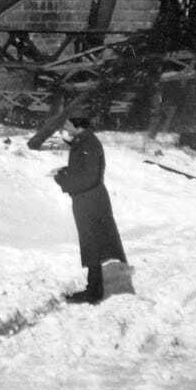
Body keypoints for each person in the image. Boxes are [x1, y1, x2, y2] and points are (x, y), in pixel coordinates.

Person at [53, 116, 127, 304]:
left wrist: (62, 180)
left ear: (78, 126)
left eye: (68, 124)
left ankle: (94, 292)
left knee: (92, 244)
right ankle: (94, 289)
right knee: (92, 244)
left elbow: (89, 177)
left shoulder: (88, 144)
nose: (65, 127)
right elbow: (83, 170)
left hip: (91, 201)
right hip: (88, 199)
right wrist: (64, 171)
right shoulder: (84, 141)